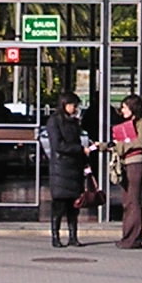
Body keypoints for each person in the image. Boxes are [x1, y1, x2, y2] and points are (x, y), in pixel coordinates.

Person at [42, 94, 92, 247]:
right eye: (73, 105)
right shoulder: (54, 121)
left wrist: (85, 162)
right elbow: (58, 145)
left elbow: (77, 140)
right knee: (59, 204)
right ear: (64, 104)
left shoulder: (74, 122)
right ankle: (55, 236)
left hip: (75, 167)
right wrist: (80, 150)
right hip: (61, 168)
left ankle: (73, 236)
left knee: (74, 205)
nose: (75, 109)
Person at [112, 94, 142, 249]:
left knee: (133, 201)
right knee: (127, 201)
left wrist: (122, 145)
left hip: (135, 163)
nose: (122, 111)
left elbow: (140, 142)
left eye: (124, 107)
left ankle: (133, 238)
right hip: (125, 164)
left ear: (132, 108)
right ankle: (127, 236)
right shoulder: (127, 124)